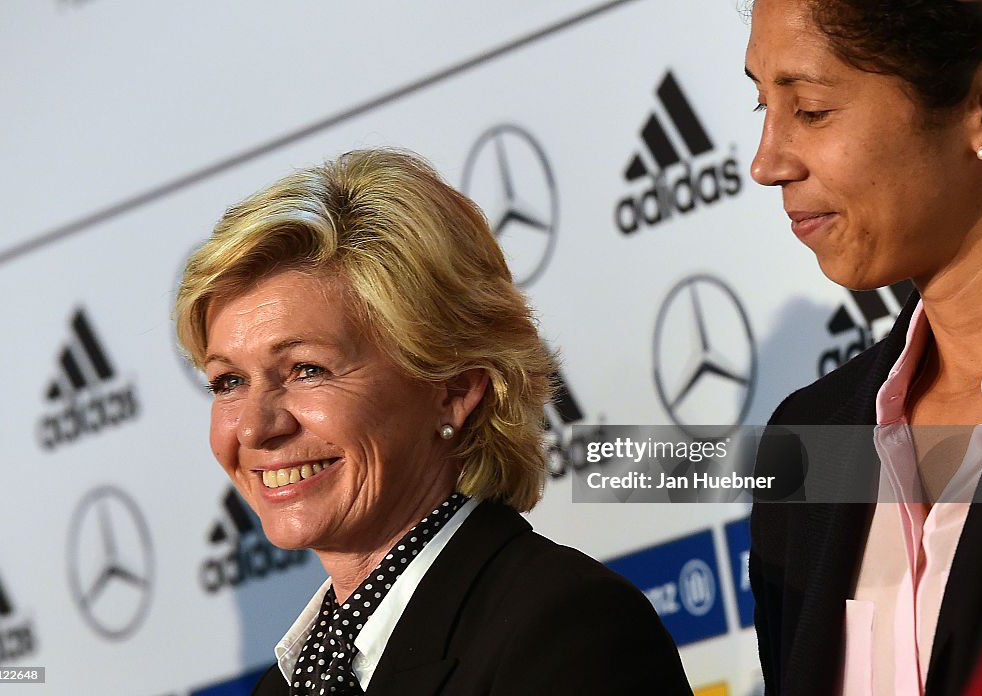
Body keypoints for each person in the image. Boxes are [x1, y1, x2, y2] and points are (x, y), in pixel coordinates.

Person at [175, 149, 691, 696]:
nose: (254, 429)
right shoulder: (286, 687)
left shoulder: (565, 630)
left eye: (306, 369)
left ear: (454, 388)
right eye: (228, 381)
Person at [744, 1, 982, 695]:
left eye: (811, 109)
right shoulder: (810, 441)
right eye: (758, 104)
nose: (767, 163)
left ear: (976, 106)